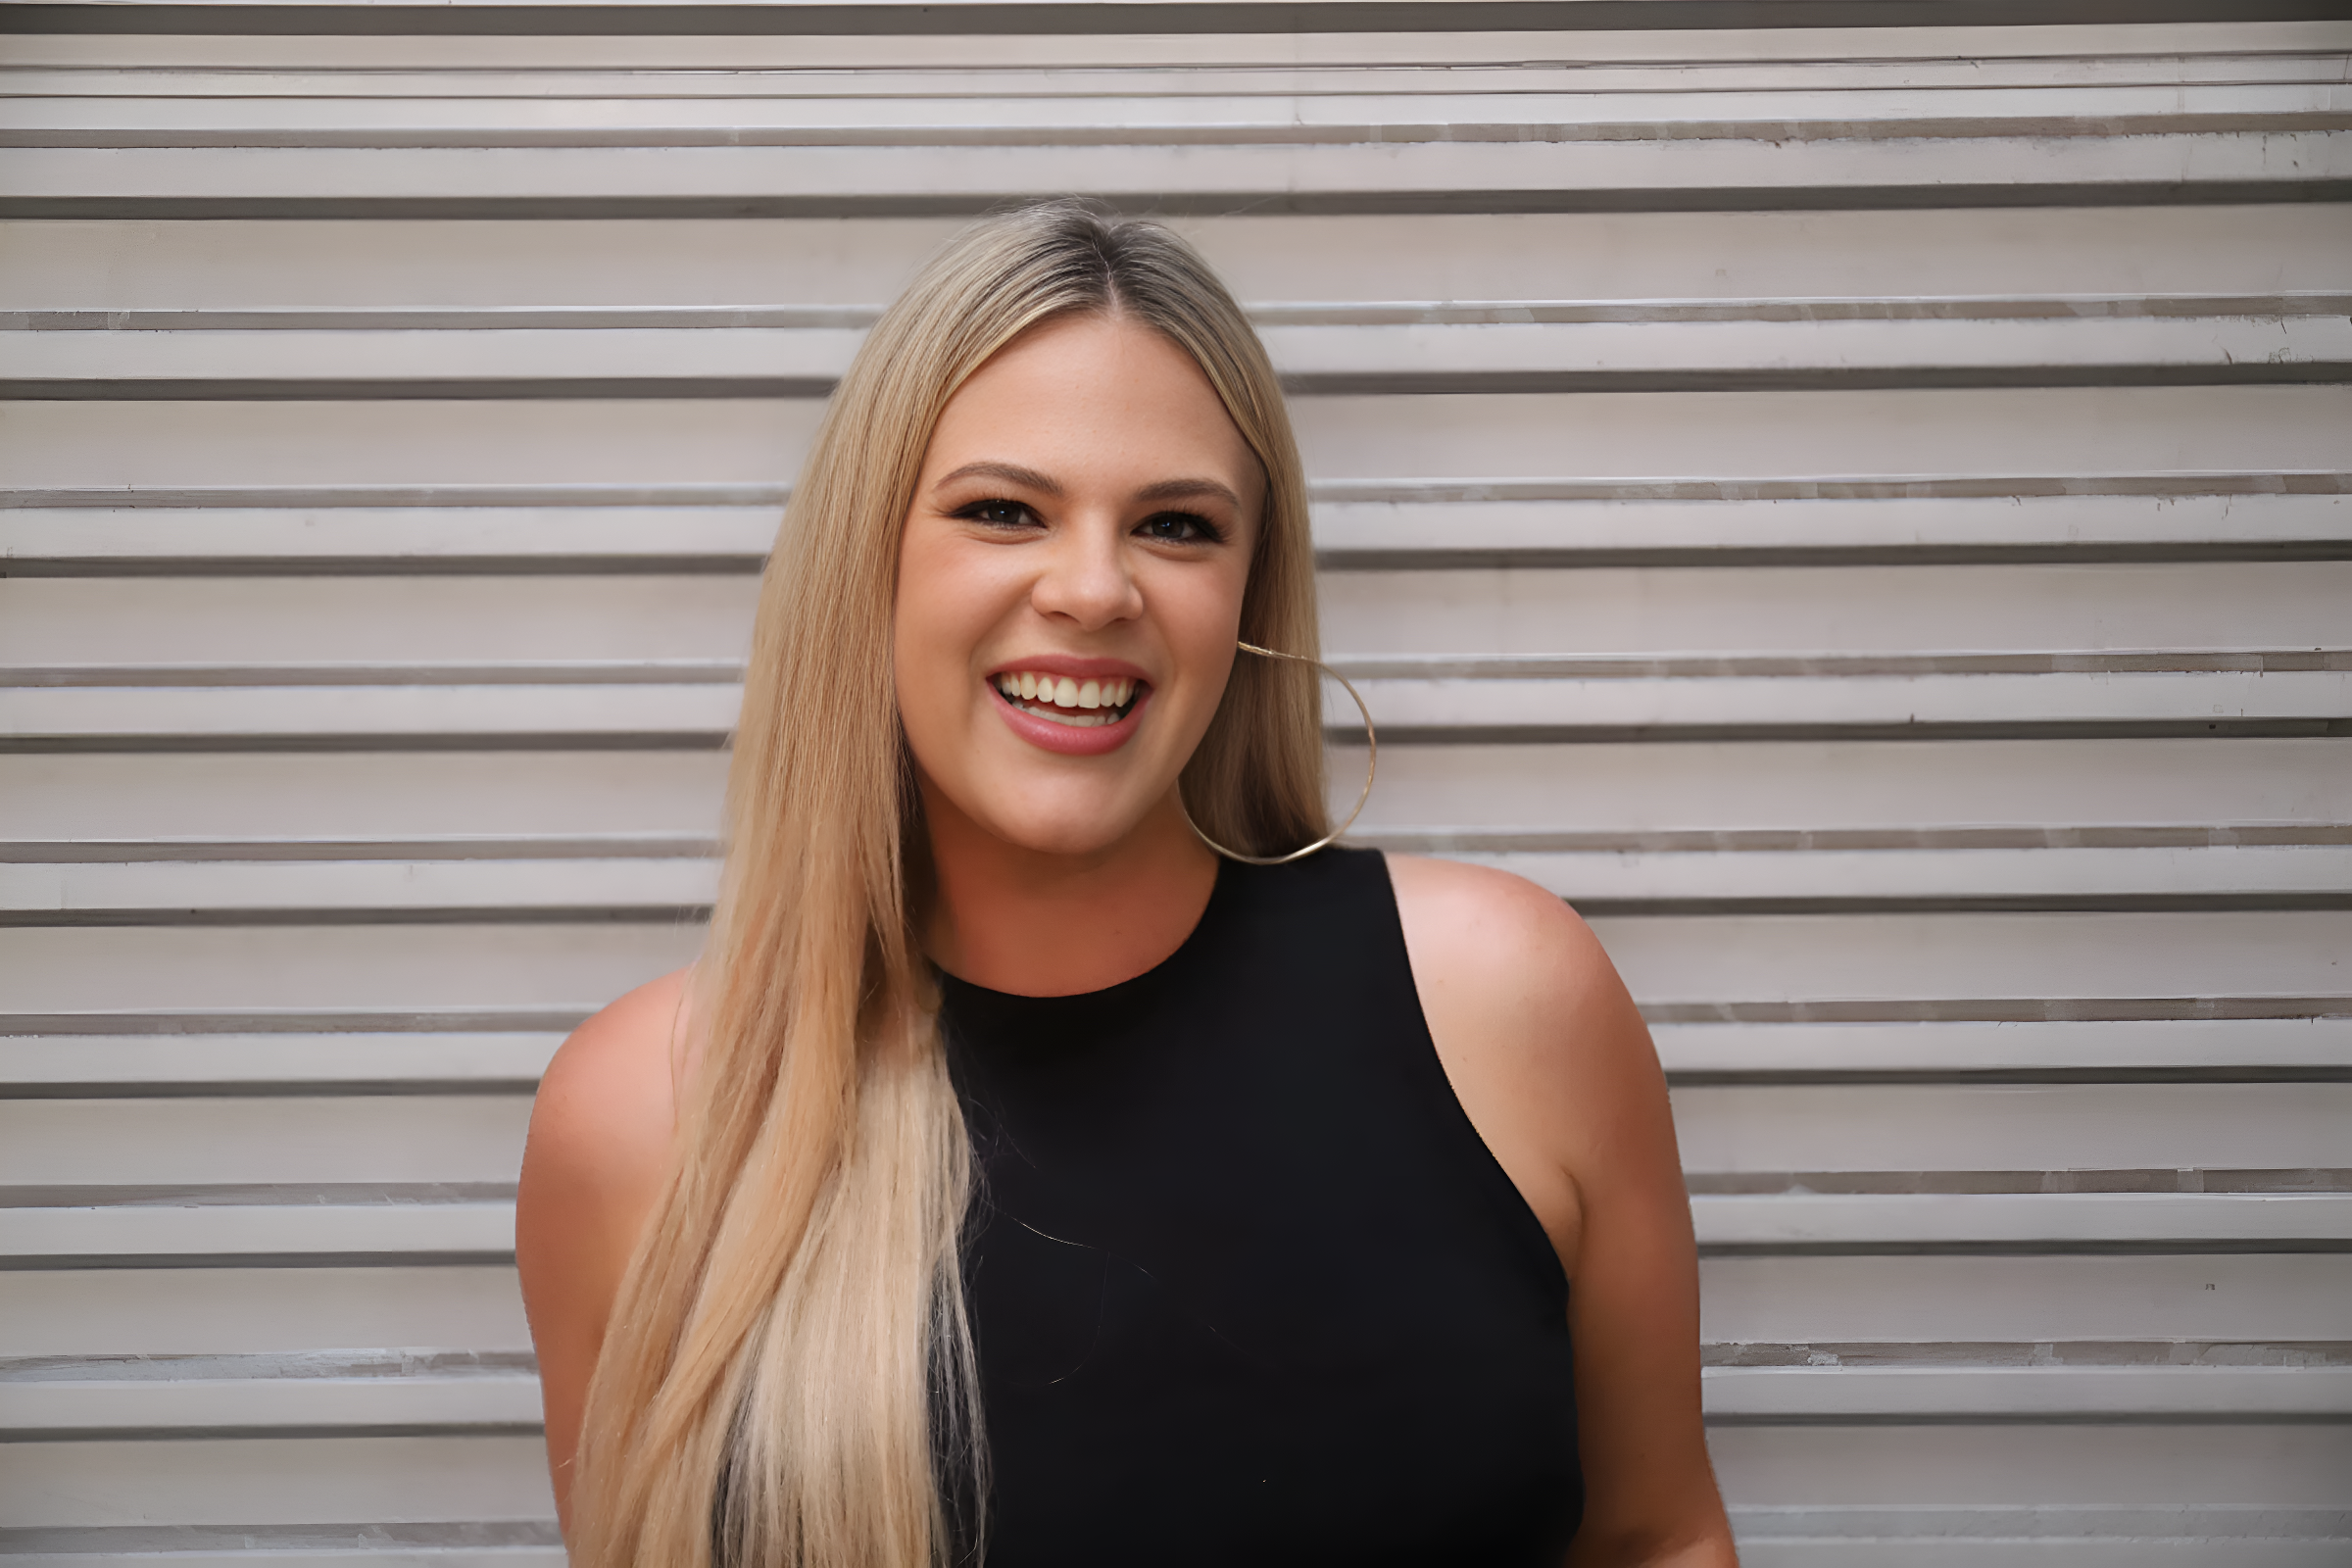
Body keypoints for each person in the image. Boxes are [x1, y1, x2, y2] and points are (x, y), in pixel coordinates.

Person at [516, 201, 1737, 1568]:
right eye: (1002, 511)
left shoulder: (1506, 1003)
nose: (1095, 590)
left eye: (1175, 525)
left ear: (1249, 597)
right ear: (867, 564)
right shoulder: (642, 1118)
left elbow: (1659, 1538)